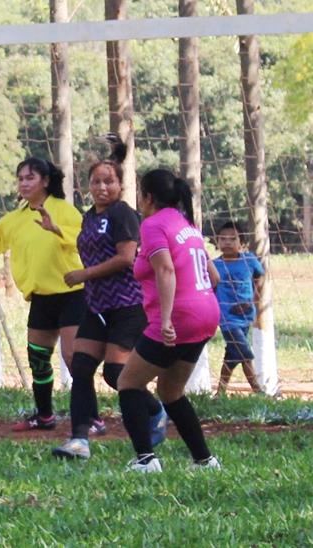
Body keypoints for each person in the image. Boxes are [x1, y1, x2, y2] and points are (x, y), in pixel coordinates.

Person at [52, 136, 166, 460]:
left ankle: (156, 410)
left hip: (127, 307)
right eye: (96, 182)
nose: (102, 187)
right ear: (88, 185)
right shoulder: (89, 217)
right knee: (81, 367)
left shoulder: (123, 214)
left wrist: (83, 276)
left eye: (109, 181)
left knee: (116, 376)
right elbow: (91, 250)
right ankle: (78, 440)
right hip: (97, 306)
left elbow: (126, 258)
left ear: (119, 185)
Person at [117, 169, 221, 472]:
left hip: (180, 316)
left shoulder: (152, 225)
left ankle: (146, 460)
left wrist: (166, 320)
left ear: (148, 197)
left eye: (139, 192)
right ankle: (204, 460)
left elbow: (165, 270)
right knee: (171, 392)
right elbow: (212, 275)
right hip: (206, 313)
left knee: (128, 383)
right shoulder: (187, 225)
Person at [0, 157, 85, 431]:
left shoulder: (65, 210)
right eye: (21, 178)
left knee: (74, 358)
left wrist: (55, 228)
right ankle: (45, 415)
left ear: (46, 181)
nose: (24, 183)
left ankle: (90, 416)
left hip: (72, 294)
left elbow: (83, 241)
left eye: (30, 178)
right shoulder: (16, 218)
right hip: (41, 298)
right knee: (38, 357)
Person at [212, 221, 265, 395]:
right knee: (245, 354)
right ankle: (258, 392)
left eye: (232, 239)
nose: (227, 242)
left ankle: (219, 393)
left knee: (232, 354)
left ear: (241, 242)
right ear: (217, 242)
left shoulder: (249, 260)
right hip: (227, 318)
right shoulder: (214, 265)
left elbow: (260, 277)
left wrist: (253, 299)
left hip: (246, 316)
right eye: (223, 239)